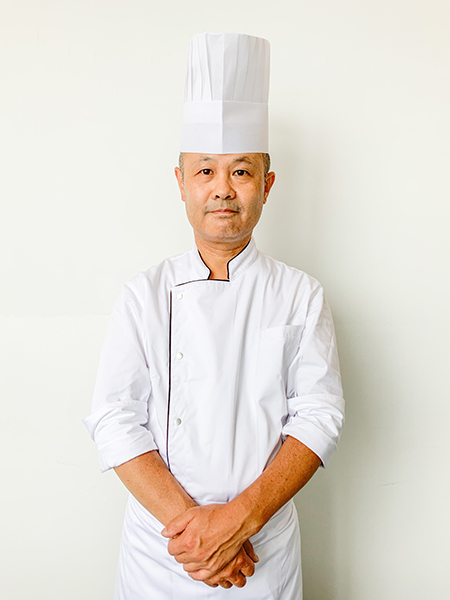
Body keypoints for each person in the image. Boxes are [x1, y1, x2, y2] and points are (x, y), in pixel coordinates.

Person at [84, 32, 344, 599]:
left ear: (267, 186)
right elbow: (113, 418)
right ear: (180, 183)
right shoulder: (143, 294)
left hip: (262, 554)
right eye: (205, 171)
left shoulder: (302, 294)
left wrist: (238, 523)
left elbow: (319, 414)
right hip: (163, 554)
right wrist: (198, 535)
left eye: (242, 172)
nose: (223, 190)